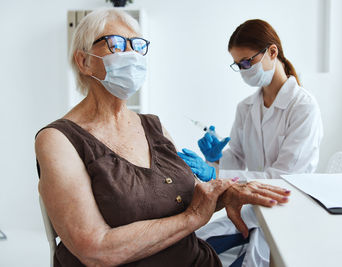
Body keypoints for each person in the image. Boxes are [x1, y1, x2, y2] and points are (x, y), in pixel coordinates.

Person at [34, 9, 290, 267]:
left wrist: (228, 194)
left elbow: (185, 200)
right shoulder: (58, 140)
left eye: (137, 45)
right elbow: (96, 250)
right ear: (84, 61)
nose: (131, 55)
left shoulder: (152, 126)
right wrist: (192, 218)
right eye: (117, 44)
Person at [178, 19, 323, 266]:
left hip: (287, 209)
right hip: (250, 207)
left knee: (251, 261)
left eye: (248, 62)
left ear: (272, 52)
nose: (244, 69)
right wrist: (215, 160)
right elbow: (238, 157)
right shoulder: (245, 107)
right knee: (195, 245)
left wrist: (216, 174)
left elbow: (283, 179)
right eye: (238, 65)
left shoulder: (303, 107)